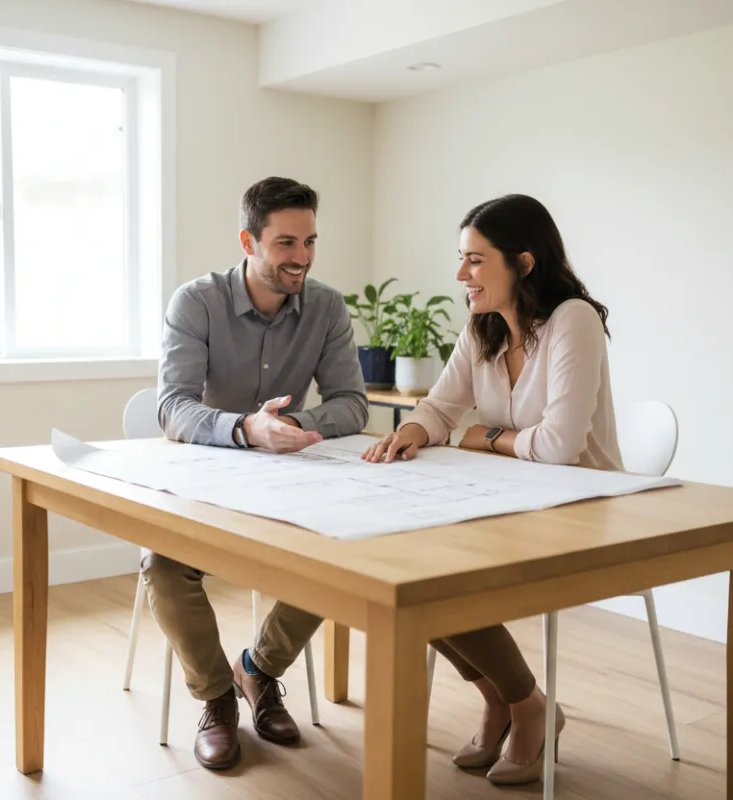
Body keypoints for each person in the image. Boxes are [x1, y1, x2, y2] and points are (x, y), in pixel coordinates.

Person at [361, 193, 620, 786]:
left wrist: (489, 435)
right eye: (462, 260)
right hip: (511, 500)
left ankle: (525, 705)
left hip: (585, 508)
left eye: (475, 261)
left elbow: (559, 448)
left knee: (433, 576)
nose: (461, 275)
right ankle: (510, 699)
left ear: (523, 263)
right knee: (410, 570)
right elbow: (442, 405)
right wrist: (418, 432)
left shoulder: (572, 320)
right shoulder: (482, 328)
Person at [149, 176, 369, 770]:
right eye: (285, 243)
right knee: (164, 567)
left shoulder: (325, 305)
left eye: (310, 242)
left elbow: (352, 402)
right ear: (249, 240)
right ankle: (218, 698)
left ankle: (258, 669)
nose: (301, 257)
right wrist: (247, 428)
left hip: (295, 478)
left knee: (342, 553)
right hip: (207, 478)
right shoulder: (195, 302)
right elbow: (171, 407)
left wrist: (291, 422)